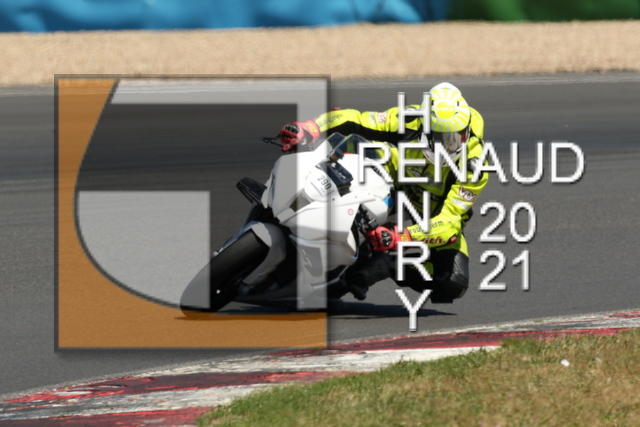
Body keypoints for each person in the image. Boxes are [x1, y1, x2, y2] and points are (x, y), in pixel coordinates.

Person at [278, 82, 488, 303]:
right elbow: (355, 119)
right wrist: (311, 127)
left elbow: (449, 222)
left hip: (433, 215)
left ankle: (380, 264)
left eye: (455, 138)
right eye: (439, 137)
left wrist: (401, 237)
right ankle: (299, 197)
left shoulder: (475, 166)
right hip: (393, 179)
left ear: (466, 132)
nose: (448, 146)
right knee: (349, 151)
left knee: (452, 282)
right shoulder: (409, 118)